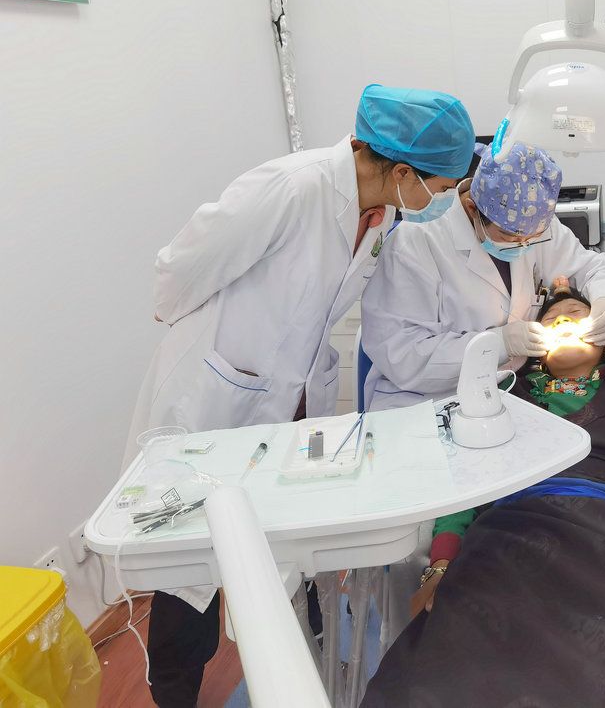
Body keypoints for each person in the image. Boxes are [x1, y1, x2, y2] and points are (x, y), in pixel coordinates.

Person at [126, 83, 475, 708]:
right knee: (193, 569)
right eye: (442, 189)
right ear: (403, 172)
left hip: (291, 406)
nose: (443, 202)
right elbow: (179, 269)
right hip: (219, 399)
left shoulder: (379, 214)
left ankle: (307, 668)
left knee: (289, 548)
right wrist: (223, 352)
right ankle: (175, 695)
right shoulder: (292, 188)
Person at [361, 282, 605, 708]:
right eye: (552, 320)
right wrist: (440, 565)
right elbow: (466, 488)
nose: (565, 321)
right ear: (535, 348)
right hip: (504, 539)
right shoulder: (503, 401)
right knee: (443, 671)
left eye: (579, 315)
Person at [361, 143, 605, 636]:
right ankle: (412, 643)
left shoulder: (530, 224)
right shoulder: (418, 243)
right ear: (473, 204)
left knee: (498, 547)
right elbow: (401, 353)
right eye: (511, 235)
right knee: (423, 550)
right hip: (422, 407)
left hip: (498, 404)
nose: (525, 244)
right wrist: (495, 343)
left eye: (534, 235)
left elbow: (594, 268)